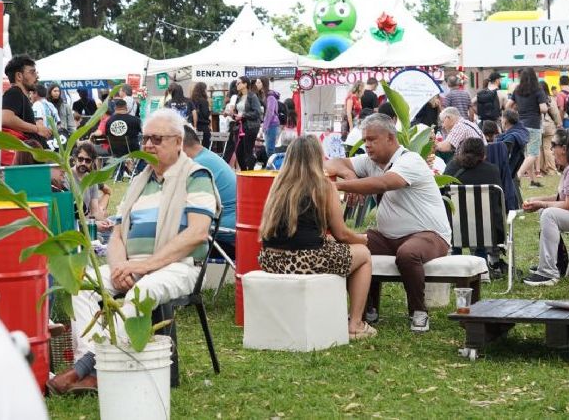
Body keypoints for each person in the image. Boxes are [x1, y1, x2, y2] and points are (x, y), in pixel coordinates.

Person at [50, 109, 219, 395]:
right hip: (132, 265)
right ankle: (90, 365)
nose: (148, 145)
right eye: (145, 139)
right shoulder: (140, 180)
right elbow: (117, 232)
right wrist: (119, 266)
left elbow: (197, 233)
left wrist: (143, 267)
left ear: (178, 141)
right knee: (81, 284)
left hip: (178, 266)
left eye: (157, 139)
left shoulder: (196, 176)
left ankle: (86, 369)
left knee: (143, 291)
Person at [324, 114, 451, 333]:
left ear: (391, 138)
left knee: (408, 253)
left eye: (372, 139)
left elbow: (384, 183)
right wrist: (348, 172)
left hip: (429, 235)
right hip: (387, 236)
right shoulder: (370, 161)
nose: (367, 145)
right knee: (351, 247)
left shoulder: (410, 160)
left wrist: (342, 186)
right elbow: (330, 162)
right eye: (365, 140)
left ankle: (418, 312)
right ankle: (366, 310)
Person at [258, 135, 375, 339]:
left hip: (270, 259)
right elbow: (341, 233)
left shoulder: (279, 184)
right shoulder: (323, 186)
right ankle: (355, 323)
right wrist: (363, 239)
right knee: (363, 255)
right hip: (304, 259)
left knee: (333, 247)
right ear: (317, 158)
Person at [522, 128, 569, 286]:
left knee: (549, 214)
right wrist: (538, 200)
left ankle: (548, 273)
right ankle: (559, 265)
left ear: (564, 148)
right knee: (545, 210)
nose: (551, 149)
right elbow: (562, 198)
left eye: (553, 145)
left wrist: (541, 203)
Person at [443, 137, 504, 274]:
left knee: (457, 220)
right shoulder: (492, 170)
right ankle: (480, 269)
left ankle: (456, 268)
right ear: (483, 154)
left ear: (462, 151)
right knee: (482, 221)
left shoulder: (451, 167)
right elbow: (499, 202)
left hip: (454, 230)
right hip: (486, 231)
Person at [182, 124, 237, 259]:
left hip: (222, 237)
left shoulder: (197, 167)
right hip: (232, 232)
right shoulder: (207, 157)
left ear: (178, 144)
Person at [506, 68, 548, 188]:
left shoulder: (517, 90)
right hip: (534, 124)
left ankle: (533, 181)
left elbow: (508, 106)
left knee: (527, 154)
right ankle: (517, 176)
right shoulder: (538, 90)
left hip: (521, 124)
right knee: (533, 153)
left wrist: (518, 111)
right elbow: (543, 108)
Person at [2, 54, 51, 145]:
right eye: (32, 72)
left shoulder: (20, 95)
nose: (36, 76)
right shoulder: (14, 93)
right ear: (19, 76)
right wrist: (37, 129)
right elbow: (6, 118)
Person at [70, 142, 105, 220]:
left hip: (86, 223)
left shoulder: (91, 180)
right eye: (80, 159)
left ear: (92, 162)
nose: (83, 163)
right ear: (75, 158)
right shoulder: (66, 177)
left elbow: (94, 211)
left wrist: (104, 221)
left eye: (88, 161)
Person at [234, 76, 262, 171]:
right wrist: (232, 114)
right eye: (236, 83)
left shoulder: (252, 96)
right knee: (238, 151)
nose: (236, 85)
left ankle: (250, 171)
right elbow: (238, 112)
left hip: (251, 126)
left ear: (245, 84)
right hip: (241, 126)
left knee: (247, 150)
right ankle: (244, 171)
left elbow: (257, 112)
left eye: (239, 83)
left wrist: (243, 115)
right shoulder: (239, 97)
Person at [539, 80, 561, 176]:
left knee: (540, 149)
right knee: (548, 148)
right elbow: (555, 113)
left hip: (538, 126)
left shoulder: (536, 99)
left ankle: (542, 169)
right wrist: (559, 123)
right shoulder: (550, 99)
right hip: (549, 126)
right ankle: (551, 169)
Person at [258, 77, 281, 158]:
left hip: (272, 124)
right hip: (270, 124)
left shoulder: (270, 97)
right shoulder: (266, 96)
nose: (257, 84)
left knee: (270, 149)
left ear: (263, 84)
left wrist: (265, 126)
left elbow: (269, 113)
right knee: (269, 149)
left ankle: (273, 169)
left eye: (259, 83)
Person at [188, 81, 212, 149]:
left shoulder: (191, 100)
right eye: (206, 89)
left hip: (193, 127)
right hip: (203, 127)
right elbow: (205, 114)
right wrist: (209, 111)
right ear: (203, 90)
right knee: (204, 148)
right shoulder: (204, 101)